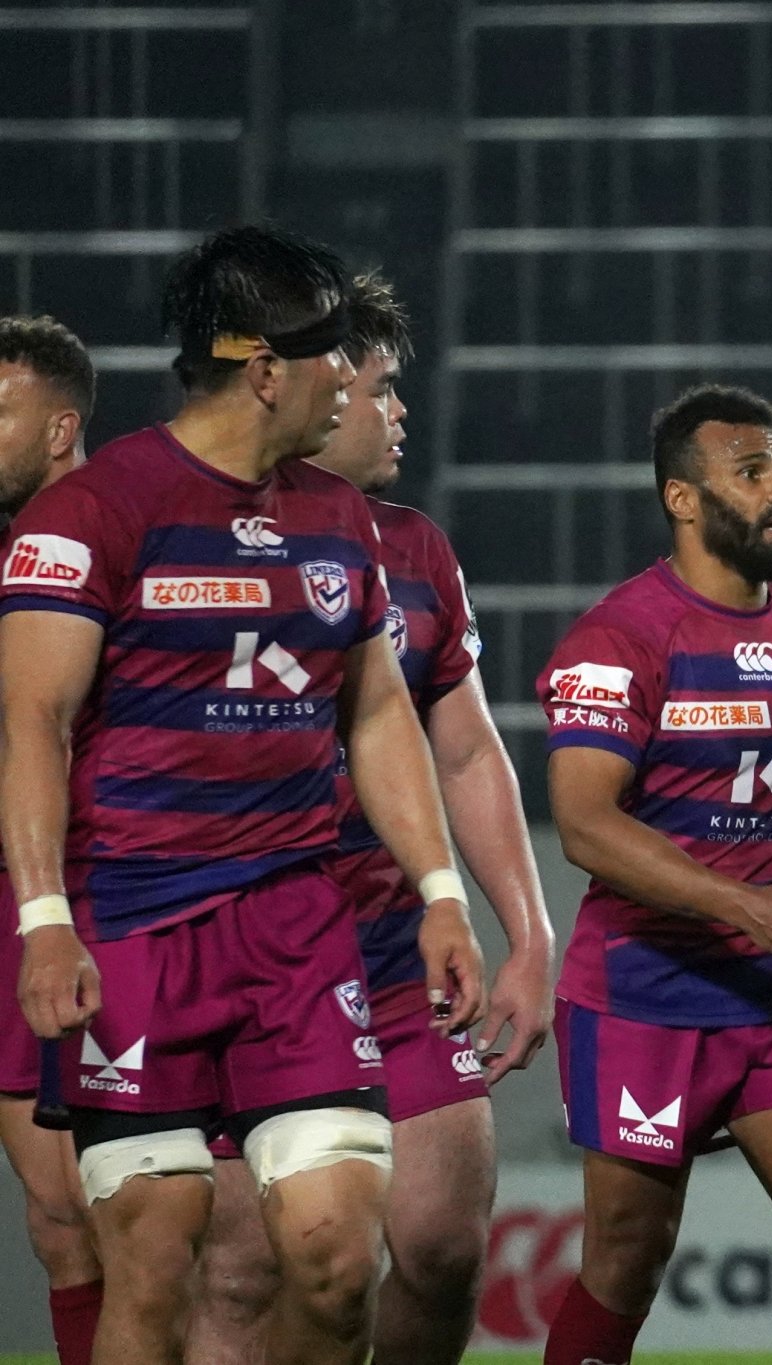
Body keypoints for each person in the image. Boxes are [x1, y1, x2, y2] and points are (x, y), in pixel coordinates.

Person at [0, 223, 487, 1365]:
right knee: (152, 1268)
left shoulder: (338, 519)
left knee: (338, 1259)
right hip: (133, 926)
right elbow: (32, 723)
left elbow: (379, 714)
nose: (350, 377)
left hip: (296, 928)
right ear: (265, 368)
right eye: (332, 353)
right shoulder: (92, 514)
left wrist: (441, 893)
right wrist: (45, 919)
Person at [187, 271, 554, 1365]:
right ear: (315, 386)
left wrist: (528, 933)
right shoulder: (185, 526)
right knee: (244, 1272)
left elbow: (468, 750)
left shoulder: (417, 548)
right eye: (380, 388)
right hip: (239, 956)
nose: (398, 411)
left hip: (396, 957)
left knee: (441, 1246)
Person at [538, 384, 772, 1365]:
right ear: (683, 498)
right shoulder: (618, 638)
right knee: (626, 1258)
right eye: (751, 472)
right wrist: (743, 905)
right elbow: (582, 822)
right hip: (644, 998)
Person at [0, 314, 100, 1365]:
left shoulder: (117, 537)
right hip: (11, 895)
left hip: (105, 897)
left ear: (60, 426)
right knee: (59, 1214)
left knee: (133, 1205)